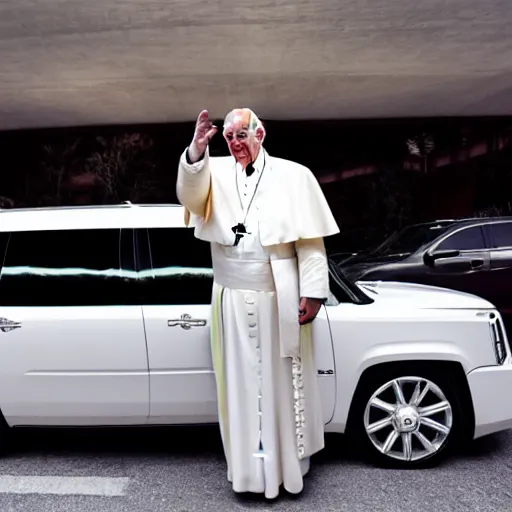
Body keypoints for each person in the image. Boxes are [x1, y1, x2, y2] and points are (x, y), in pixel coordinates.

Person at [176, 108, 339, 499]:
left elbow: (311, 243)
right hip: (230, 299)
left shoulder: (294, 175)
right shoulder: (212, 169)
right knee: (240, 385)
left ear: (260, 133)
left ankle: (286, 472)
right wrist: (197, 149)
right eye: (228, 136)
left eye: (241, 135)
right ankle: (248, 475)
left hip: (278, 297)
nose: (234, 143)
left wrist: (313, 292)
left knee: (281, 385)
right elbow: (190, 196)